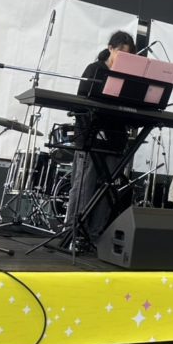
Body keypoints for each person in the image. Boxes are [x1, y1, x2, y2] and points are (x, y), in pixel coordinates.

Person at [64, 30, 136, 247]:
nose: (124, 59)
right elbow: (81, 104)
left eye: (129, 55)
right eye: (121, 53)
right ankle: (73, 233)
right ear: (111, 48)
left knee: (107, 188)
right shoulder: (94, 69)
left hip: (115, 140)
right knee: (84, 185)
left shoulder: (127, 76)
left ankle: (95, 234)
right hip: (91, 138)